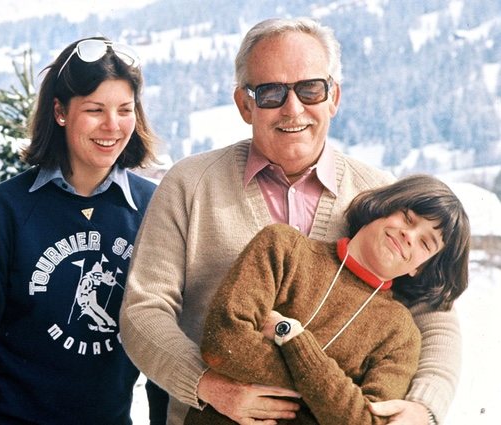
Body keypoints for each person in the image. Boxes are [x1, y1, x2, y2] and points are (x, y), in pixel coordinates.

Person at [120, 17, 462, 425]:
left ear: (334, 97)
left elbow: (435, 318)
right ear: (244, 104)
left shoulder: (381, 201)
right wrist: (207, 384)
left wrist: (424, 407)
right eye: (271, 92)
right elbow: (143, 310)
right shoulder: (189, 185)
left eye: (310, 89)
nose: (293, 108)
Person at [0, 36, 158, 424]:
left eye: (125, 110)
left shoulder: (153, 207)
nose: (112, 125)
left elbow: (165, 338)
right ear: (60, 111)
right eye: (95, 110)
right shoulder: (7, 208)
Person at [184, 174, 470, 424]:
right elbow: (221, 342)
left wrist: (291, 335)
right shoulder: (283, 249)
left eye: (425, 243)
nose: (409, 235)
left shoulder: (401, 334)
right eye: (408, 218)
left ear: (419, 267)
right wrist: (334, 401)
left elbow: (366, 422)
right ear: (382, 208)